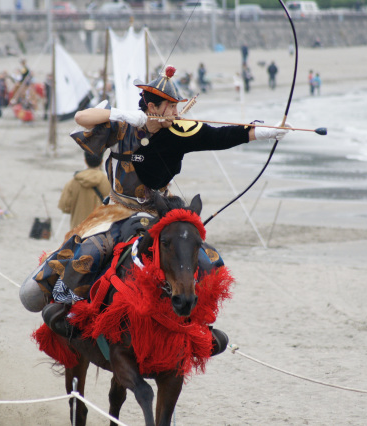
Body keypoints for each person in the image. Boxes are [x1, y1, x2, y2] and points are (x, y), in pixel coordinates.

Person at [21, 65, 291, 354]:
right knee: (89, 253)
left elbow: (222, 136)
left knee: (206, 258)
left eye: (176, 107)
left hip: (159, 213)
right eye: (170, 107)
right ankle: (69, 313)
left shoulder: (179, 132)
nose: (176, 113)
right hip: (116, 210)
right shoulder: (123, 127)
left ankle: (199, 325)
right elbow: (81, 117)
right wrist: (122, 115)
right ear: (152, 107)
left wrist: (265, 132)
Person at [58, 152, 111, 231]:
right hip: (98, 230)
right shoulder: (108, 182)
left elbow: (64, 207)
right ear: (102, 161)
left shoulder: (73, 181)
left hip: (77, 230)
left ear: (85, 161)